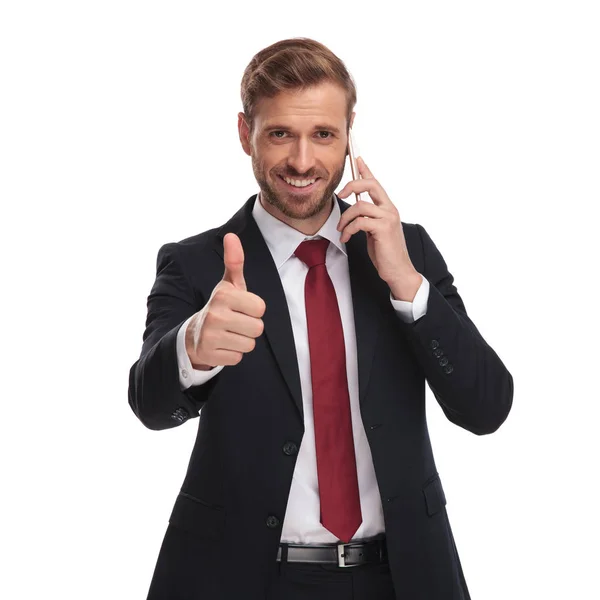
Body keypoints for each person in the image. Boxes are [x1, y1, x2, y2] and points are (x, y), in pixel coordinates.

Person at [128, 37, 513, 600]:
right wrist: (192, 348)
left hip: (401, 576)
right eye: (280, 133)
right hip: (242, 578)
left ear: (349, 134)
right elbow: (149, 403)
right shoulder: (195, 265)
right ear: (245, 134)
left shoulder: (410, 253)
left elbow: (486, 407)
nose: (303, 162)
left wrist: (406, 284)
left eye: (323, 135)